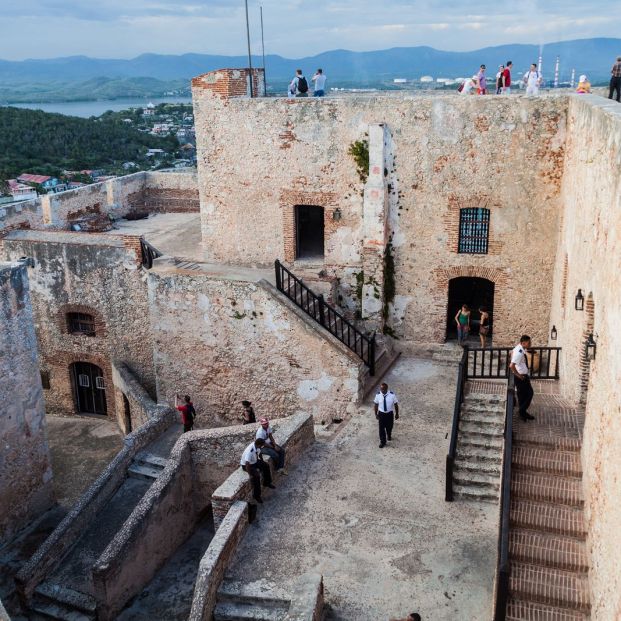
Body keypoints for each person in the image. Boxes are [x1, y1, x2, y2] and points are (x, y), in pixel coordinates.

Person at [240, 437, 275, 504]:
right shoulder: (250, 451)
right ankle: (257, 496)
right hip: (247, 465)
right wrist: (250, 474)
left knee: (266, 466)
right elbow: (247, 463)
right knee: (256, 476)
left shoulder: (257, 447)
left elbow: (260, 453)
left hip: (254, 461)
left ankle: (267, 482)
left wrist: (262, 462)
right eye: (262, 445)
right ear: (259, 445)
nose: (263, 446)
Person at [510, 335, 535, 422]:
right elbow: (511, 366)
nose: (530, 344)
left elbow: (511, 353)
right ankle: (521, 411)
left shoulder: (519, 347)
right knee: (530, 393)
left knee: (522, 396)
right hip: (521, 377)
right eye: (529, 343)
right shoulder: (519, 352)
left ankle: (523, 414)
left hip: (522, 375)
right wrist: (519, 375)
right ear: (523, 343)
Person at [373, 382, 399, 448]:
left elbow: (396, 404)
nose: (383, 391)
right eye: (381, 389)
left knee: (389, 426)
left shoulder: (392, 395)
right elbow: (376, 405)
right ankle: (383, 442)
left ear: (387, 389)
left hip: (389, 414)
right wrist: (376, 414)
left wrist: (397, 414)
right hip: (381, 414)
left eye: (384, 389)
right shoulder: (378, 395)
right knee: (381, 429)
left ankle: (389, 434)